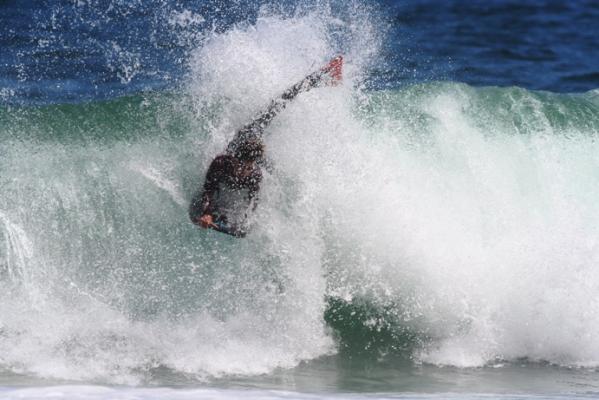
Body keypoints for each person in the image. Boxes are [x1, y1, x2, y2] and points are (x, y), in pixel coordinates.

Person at [189, 56, 343, 237]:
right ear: (235, 161)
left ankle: (325, 73)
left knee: (278, 105)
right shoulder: (221, 164)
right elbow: (209, 190)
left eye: (248, 167)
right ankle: (324, 75)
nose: (245, 171)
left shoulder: (254, 174)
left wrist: (245, 224)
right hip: (244, 139)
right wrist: (207, 213)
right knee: (201, 209)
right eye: (243, 167)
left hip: (252, 140)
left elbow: (252, 204)